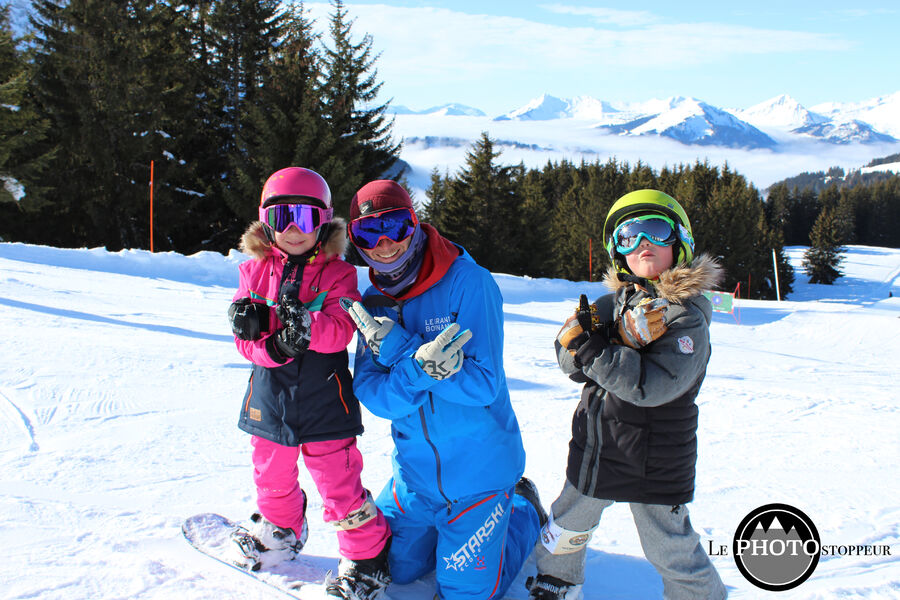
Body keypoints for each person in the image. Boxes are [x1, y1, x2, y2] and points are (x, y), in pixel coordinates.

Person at [343, 179, 547, 600]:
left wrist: (403, 349)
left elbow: (483, 386)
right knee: (394, 569)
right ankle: (449, 538)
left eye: (395, 226)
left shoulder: (469, 283)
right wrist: (419, 370)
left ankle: (522, 508)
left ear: (415, 224)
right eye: (367, 233)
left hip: (478, 475)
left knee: (463, 594)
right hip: (414, 478)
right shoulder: (373, 301)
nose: (384, 245)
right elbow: (372, 392)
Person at [528, 189, 727, 600]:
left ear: (679, 243)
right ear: (617, 251)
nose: (642, 245)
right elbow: (568, 358)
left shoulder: (686, 318)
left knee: (668, 544)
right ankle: (556, 580)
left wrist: (597, 349)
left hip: (655, 454)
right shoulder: (616, 302)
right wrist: (585, 343)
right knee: (567, 524)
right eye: (628, 236)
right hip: (599, 443)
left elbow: (653, 387)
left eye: (654, 231)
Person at [226, 167, 392, 599]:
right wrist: (273, 347)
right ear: (266, 222)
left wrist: (306, 325)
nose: (295, 229)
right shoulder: (253, 271)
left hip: (324, 398)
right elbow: (246, 342)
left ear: (324, 221)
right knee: (271, 472)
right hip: (269, 394)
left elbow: (342, 328)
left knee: (337, 479)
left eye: (306, 216)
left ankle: (365, 555)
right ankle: (280, 528)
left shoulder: (339, 273)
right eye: (283, 218)